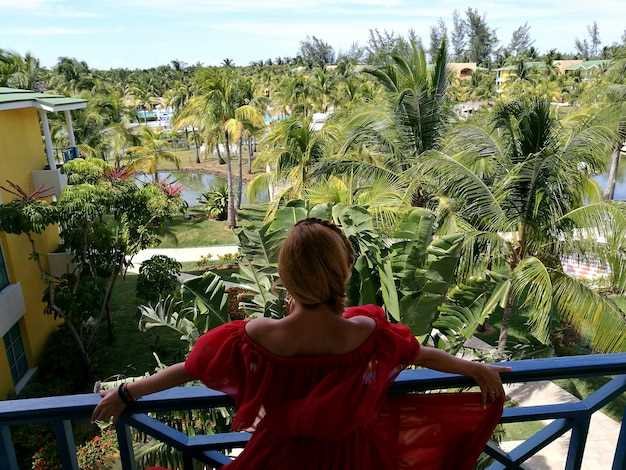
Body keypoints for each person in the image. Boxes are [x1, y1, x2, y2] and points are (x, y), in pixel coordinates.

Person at [93, 218, 509, 469]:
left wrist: (128, 392)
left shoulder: (254, 338)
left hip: (278, 460)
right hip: (356, 459)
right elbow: (419, 354)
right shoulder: (370, 336)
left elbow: (189, 369)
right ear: (342, 274)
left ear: (286, 278)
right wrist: (475, 368)